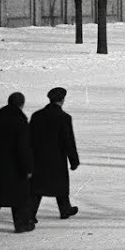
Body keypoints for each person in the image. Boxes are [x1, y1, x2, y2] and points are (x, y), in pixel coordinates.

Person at [0, 92, 34, 237]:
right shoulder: (21, 121)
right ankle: (21, 224)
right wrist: (28, 167)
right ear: (21, 104)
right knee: (19, 197)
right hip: (16, 166)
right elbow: (24, 147)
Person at [29, 87, 80, 223]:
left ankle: (30, 213)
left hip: (37, 158)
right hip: (57, 159)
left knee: (37, 187)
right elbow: (69, 141)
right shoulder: (64, 118)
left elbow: (28, 138)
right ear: (62, 100)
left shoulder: (37, 116)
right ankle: (65, 210)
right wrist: (74, 160)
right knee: (61, 185)